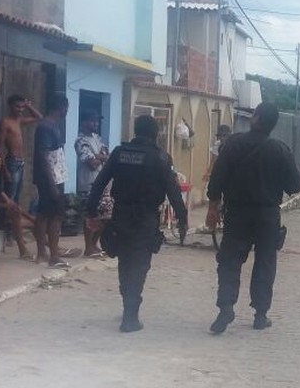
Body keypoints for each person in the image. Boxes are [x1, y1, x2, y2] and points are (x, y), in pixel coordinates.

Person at [206, 102, 300, 334]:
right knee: (265, 263)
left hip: (237, 214)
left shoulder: (232, 145)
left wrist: (212, 208)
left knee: (229, 261)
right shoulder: (280, 150)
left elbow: (217, 180)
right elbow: (295, 185)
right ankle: (260, 314)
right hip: (267, 216)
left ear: (255, 118)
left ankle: (226, 307)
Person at [85, 115, 187, 333]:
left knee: (124, 262)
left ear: (135, 130)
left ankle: (128, 309)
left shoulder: (120, 153)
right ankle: (131, 315)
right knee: (140, 265)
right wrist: (182, 218)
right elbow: (173, 191)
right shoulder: (161, 158)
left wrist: (91, 212)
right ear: (155, 133)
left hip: (121, 215)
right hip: (146, 218)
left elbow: (100, 182)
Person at [0, 94, 41, 260]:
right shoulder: (6, 123)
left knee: (16, 199)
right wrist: (4, 170)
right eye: (18, 107)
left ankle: (11, 232)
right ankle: (11, 233)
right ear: (10, 106)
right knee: (11, 202)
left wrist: (29, 105)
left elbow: (39, 117)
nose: (20, 110)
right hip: (11, 163)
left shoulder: (19, 121)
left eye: (22, 107)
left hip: (21, 163)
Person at [34, 95, 70, 268]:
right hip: (51, 178)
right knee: (55, 216)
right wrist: (53, 183)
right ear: (62, 107)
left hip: (54, 176)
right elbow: (44, 156)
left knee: (43, 214)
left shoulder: (50, 125)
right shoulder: (47, 127)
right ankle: (53, 256)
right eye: (66, 108)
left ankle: (42, 252)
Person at [75, 112, 111, 258]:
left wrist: (98, 156)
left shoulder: (98, 138)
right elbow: (92, 164)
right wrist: (100, 157)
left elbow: (108, 157)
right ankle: (88, 248)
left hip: (102, 183)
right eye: (92, 120)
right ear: (84, 122)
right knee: (90, 216)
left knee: (105, 215)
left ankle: (94, 245)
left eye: (96, 121)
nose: (95, 124)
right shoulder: (80, 141)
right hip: (87, 183)